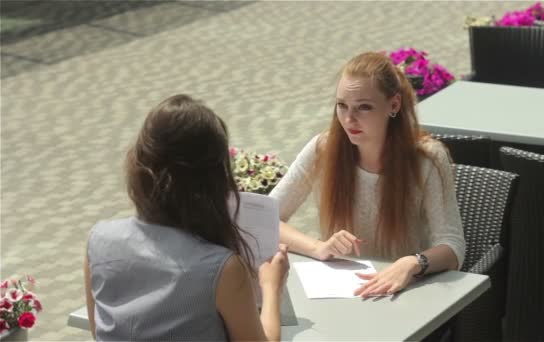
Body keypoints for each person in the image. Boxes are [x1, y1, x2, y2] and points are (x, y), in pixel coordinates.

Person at [84, 94, 289, 341]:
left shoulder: (98, 240)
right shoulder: (221, 268)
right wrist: (271, 288)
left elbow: (98, 332)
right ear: (214, 179)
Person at [269, 52, 465, 298]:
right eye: (342, 105)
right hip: (339, 289)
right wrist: (318, 247)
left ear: (393, 105)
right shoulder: (323, 148)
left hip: (404, 294)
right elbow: (267, 217)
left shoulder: (427, 158)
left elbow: (453, 246)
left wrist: (412, 263)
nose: (349, 119)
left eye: (364, 107)